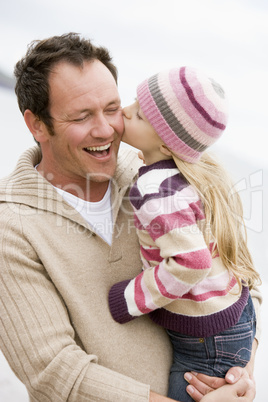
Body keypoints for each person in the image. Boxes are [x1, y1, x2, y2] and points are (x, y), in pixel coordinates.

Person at [0, 33, 261, 402]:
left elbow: (237, 274)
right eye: (81, 116)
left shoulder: (161, 174)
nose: (106, 129)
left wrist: (238, 376)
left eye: (112, 108)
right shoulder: (11, 227)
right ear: (37, 124)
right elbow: (55, 372)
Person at [108, 66, 261, 402]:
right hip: (233, 311)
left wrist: (130, 299)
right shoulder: (182, 175)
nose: (126, 111)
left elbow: (192, 262)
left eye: (141, 117)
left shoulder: (155, 190)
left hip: (205, 341)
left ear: (165, 143)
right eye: (134, 101)